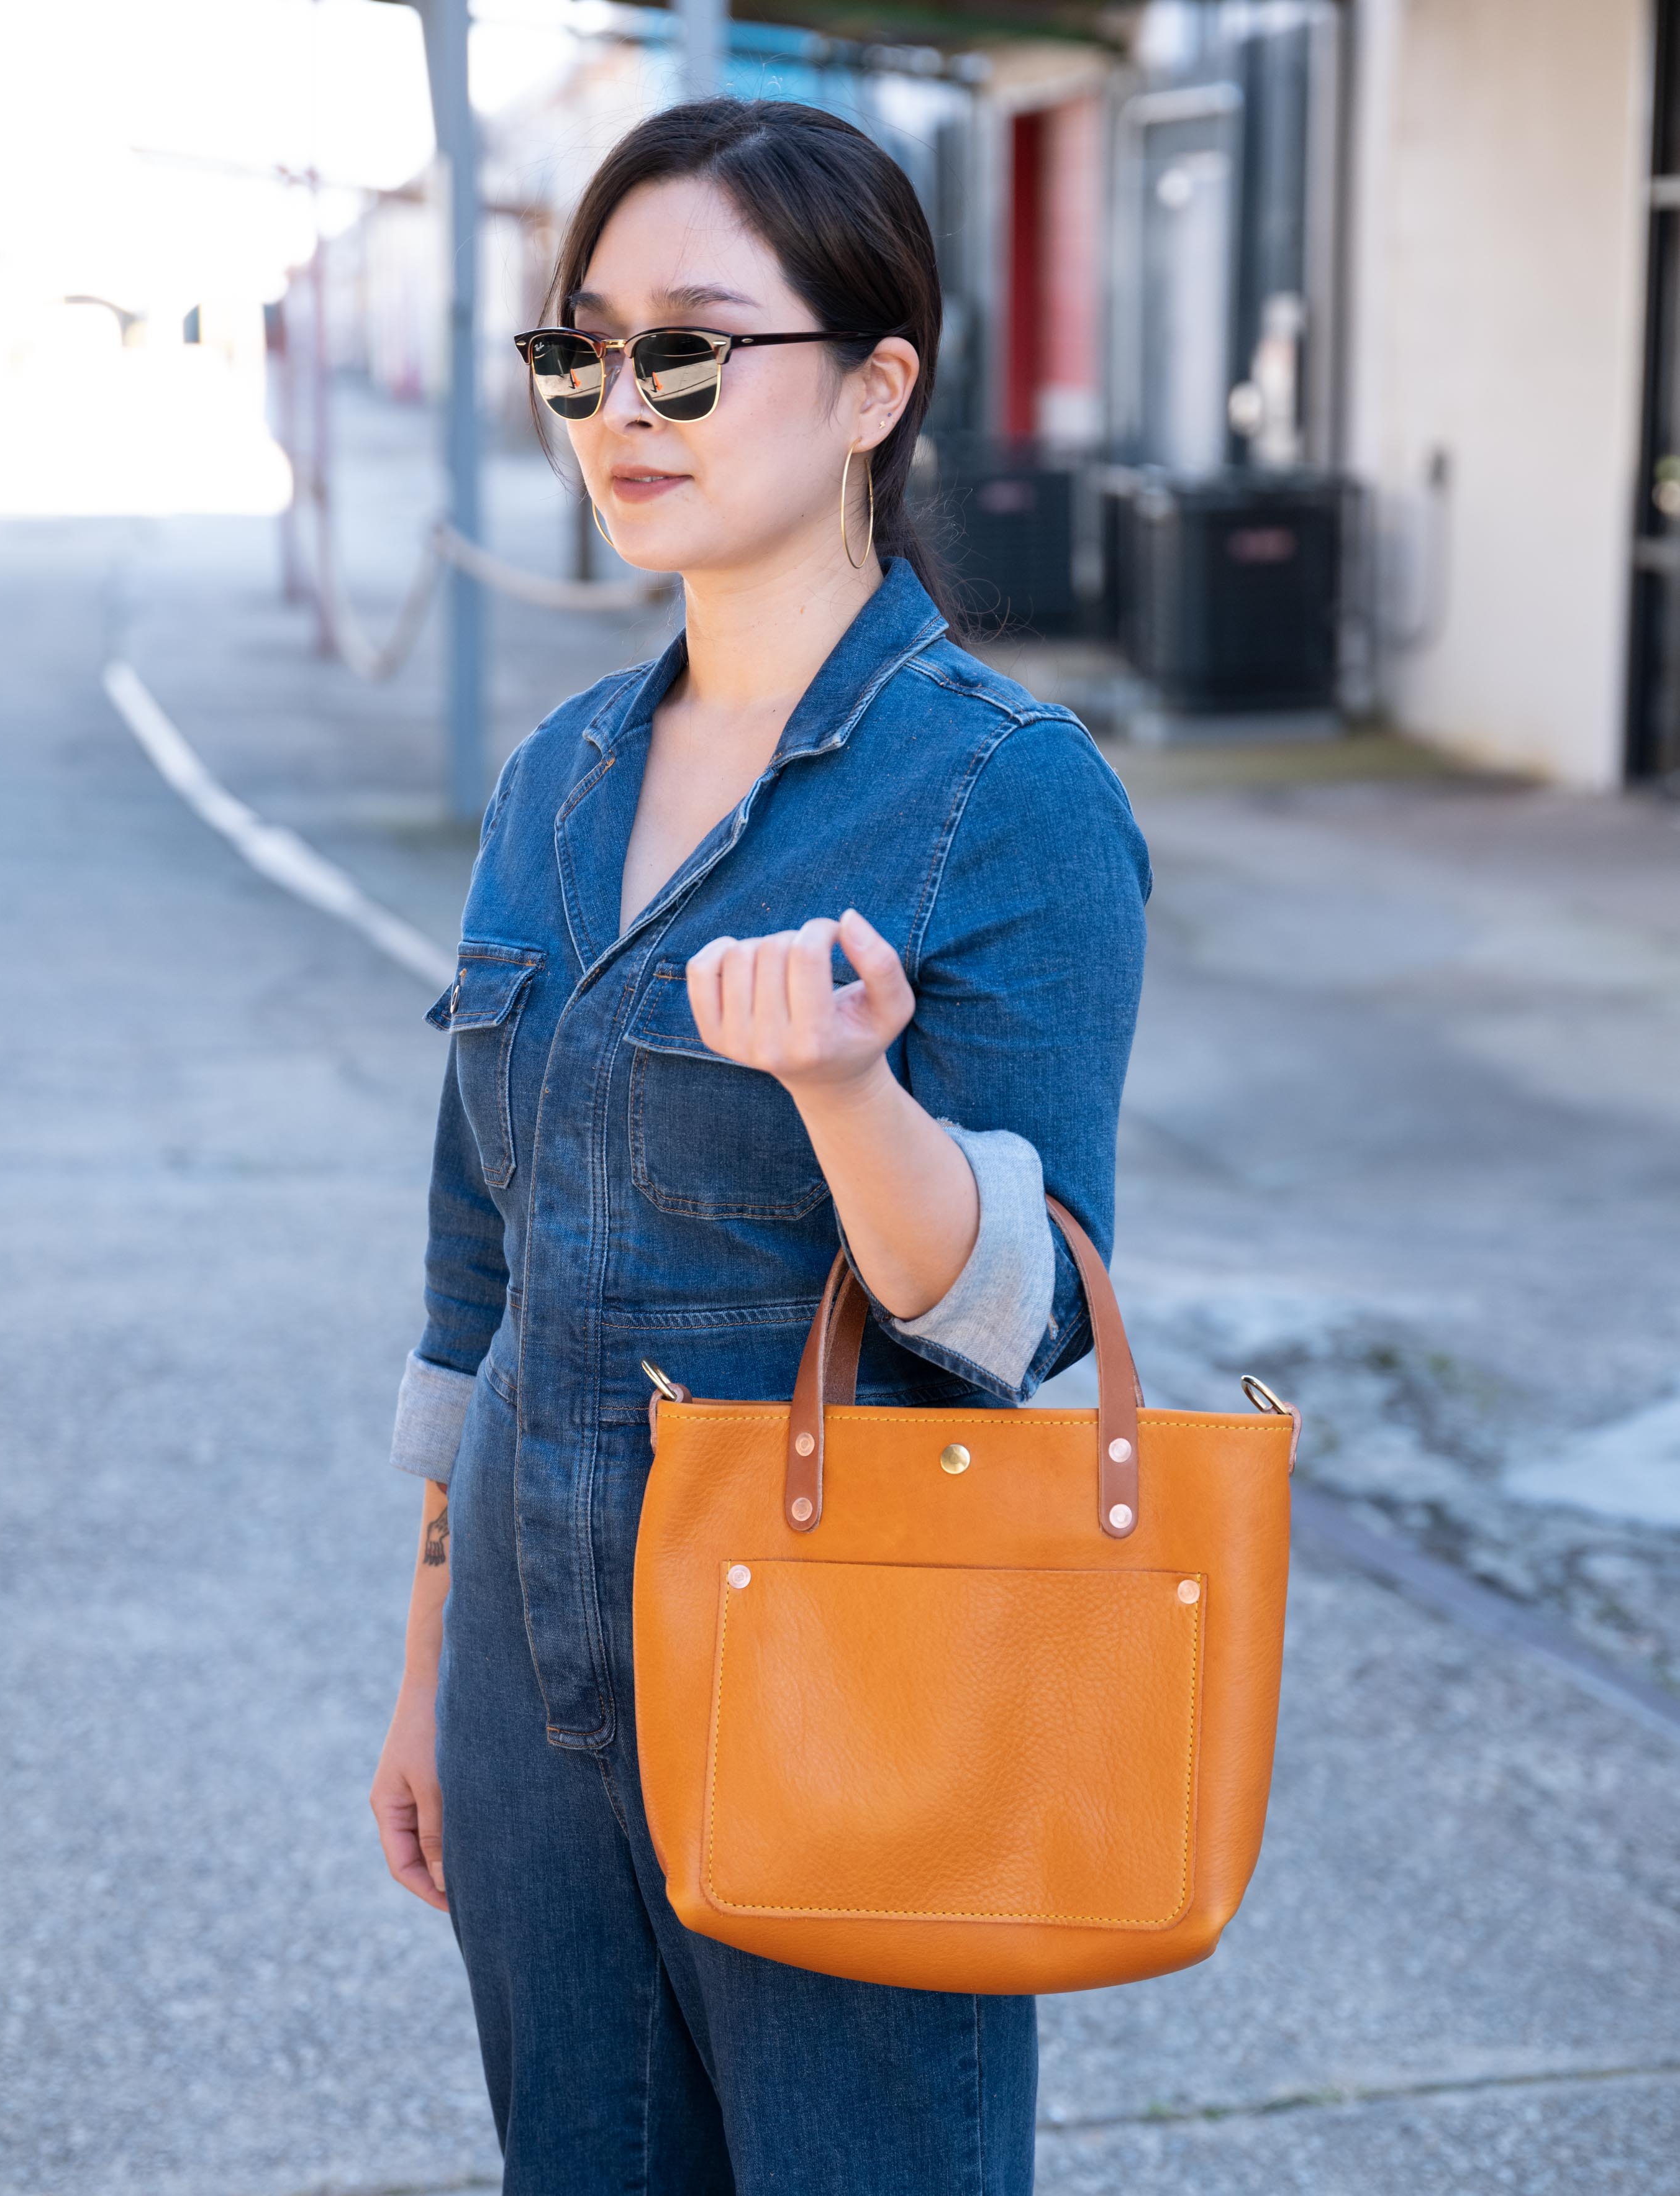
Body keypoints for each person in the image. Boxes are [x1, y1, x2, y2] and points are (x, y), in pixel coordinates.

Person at [370, 97, 1150, 2196]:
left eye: (691, 349)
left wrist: (844, 1093)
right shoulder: (555, 776)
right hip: (540, 1696)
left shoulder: (1009, 797)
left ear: (876, 383)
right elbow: (481, 1273)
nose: (623, 405)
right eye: (584, 350)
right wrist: (429, 1669)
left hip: (854, 1688)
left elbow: (1020, 1329)